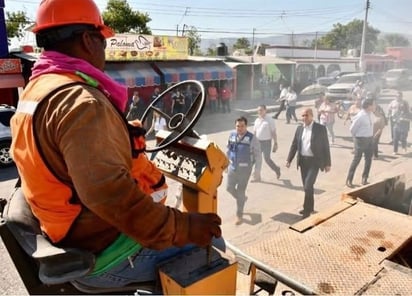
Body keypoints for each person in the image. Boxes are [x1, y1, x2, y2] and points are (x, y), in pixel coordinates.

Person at [10, 0, 222, 288]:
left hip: (64, 232)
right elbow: (109, 194)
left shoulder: (38, 90)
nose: (104, 52)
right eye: (103, 42)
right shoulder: (81, 103)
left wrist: (121, 136)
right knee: (212, 245)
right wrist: (183, 227)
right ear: (88, 40)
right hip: (104, 252)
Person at [285, 108, 331, 218]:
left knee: (308, 185)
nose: (303, 118)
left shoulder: (320, 129)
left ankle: (306, 211)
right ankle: (310, 207)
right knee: (307, 187)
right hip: (303, 162)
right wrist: (289, 159)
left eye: (306, 115)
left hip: (315, 162)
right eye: (302, 116)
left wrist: (327, 163)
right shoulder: (299, 129)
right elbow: (295, 144)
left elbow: (326, 146)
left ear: (311, 116)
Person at [226, 116, 261, 225]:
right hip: (233, 168)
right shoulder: (232, 135)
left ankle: (239, 215)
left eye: (242, 126)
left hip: (245, 170)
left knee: (240, 191)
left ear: (246, 126)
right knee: (229, 188)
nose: (240, 128)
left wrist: (257, 170)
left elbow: (258, 155)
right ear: (235, 126)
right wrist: (225, 165)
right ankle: (242, 199)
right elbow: (228, 150)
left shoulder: (252, 138)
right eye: (238, 126)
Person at [345, 98, 375, 187]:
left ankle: (364, 178)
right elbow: (352, 129)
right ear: (369, 106)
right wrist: (356, 141)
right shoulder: (360, 116)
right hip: (360, 140)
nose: (374, 106)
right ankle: (349, 179)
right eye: (373, 104)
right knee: (356, 160)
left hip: (369, 139)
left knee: (368, 159)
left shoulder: (370, 114)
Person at [252, 105, 281, 182]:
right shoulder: (257, 120)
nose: (260, 112)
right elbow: (255, 132)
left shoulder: (269, 120)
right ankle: (257, 177)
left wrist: (275, 143)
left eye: (261, 110)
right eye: (258, 110)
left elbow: (273, 132)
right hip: (258, 142)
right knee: (257, 159)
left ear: (265, 110)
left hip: (266, 142)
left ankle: (277, 169)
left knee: (267, 159)